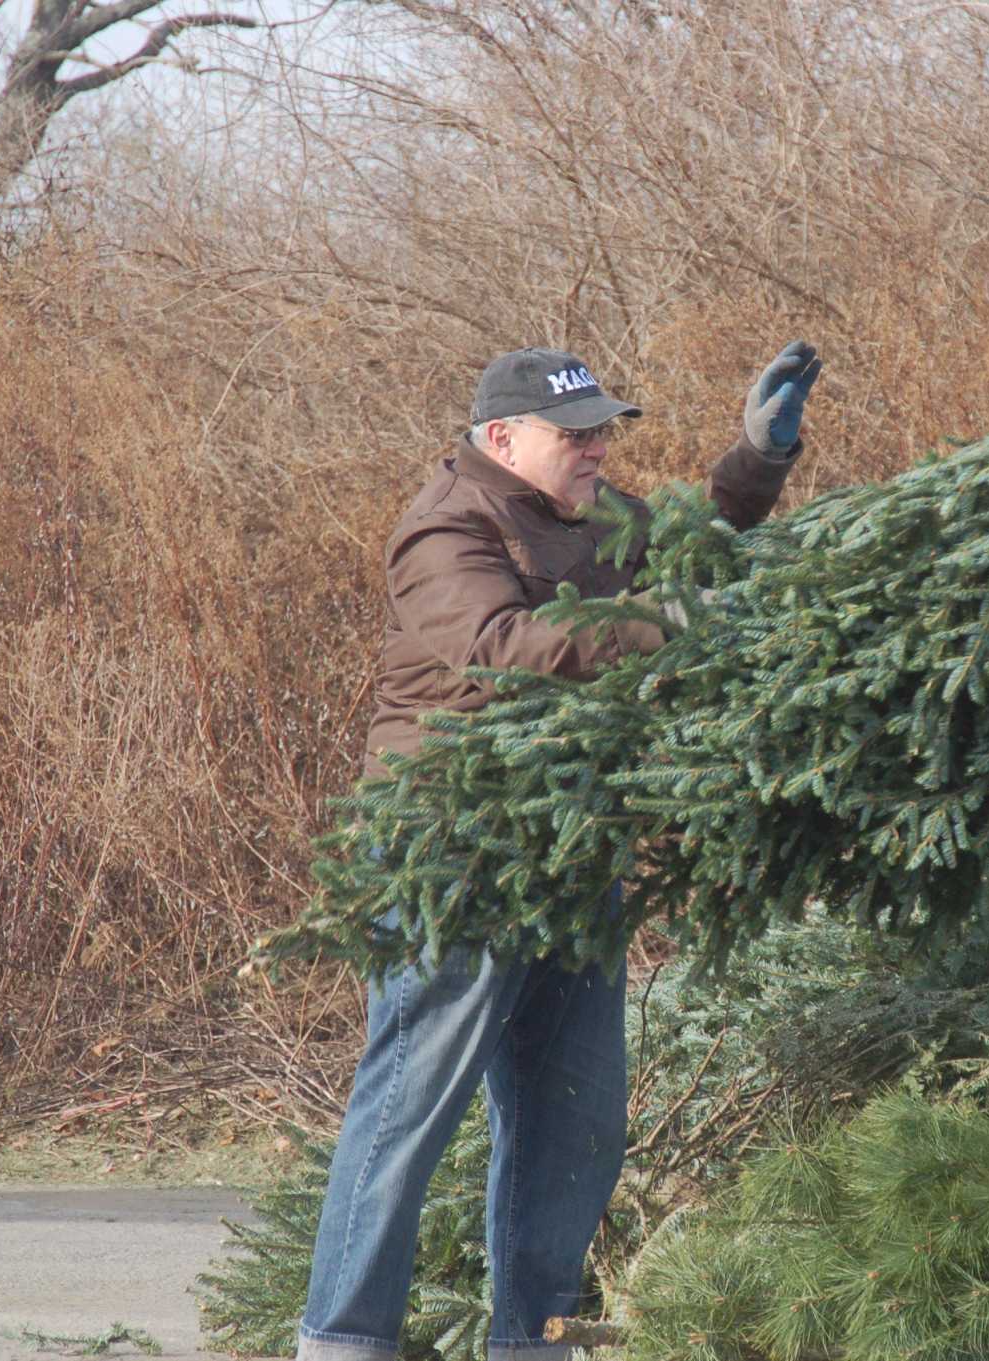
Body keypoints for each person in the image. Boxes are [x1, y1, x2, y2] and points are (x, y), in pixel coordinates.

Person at [296, 341, 824, 1361]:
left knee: (573, 1125)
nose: (594, 451)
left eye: (600, 432)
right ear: (502, 437)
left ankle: (534, 1339)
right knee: (410, 1108)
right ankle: (343, 1339)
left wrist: (755, 457)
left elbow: (686, 545)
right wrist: (662, 624)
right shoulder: (443, 527)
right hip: (450, 858)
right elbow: (505, 650)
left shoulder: (584, 515)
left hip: (573, 854)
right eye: (573, 435)